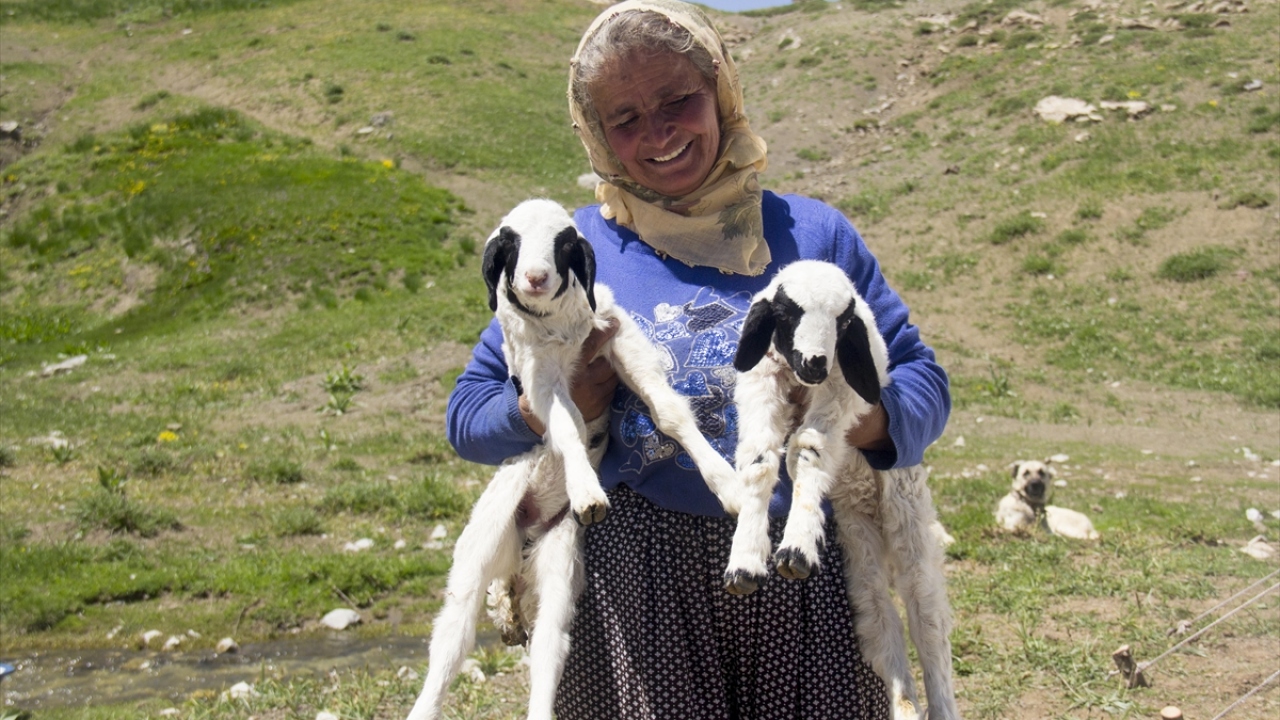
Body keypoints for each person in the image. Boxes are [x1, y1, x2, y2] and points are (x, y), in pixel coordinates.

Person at [445, 1, 950, 717]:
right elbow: (467, 417)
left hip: (805, 572)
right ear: (595, 132)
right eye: (624, 119)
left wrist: (854, 416)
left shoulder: (814, 235)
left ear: (721, 90)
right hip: (634, 582)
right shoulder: (572, 251)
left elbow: (924, 383)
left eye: (679, 100)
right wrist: (555, 404)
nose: (657, 135)